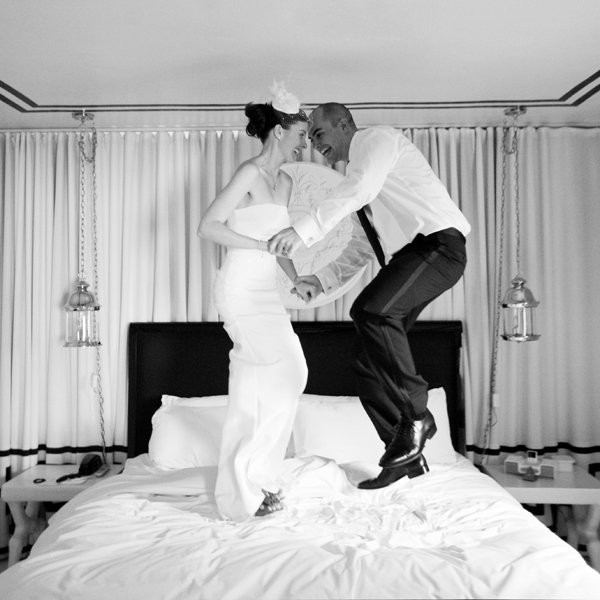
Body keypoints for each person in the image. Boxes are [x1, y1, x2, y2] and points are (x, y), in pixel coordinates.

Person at [268, 103, 470, 489]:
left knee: (371, 312)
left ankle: (416, 416)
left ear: (344, 124)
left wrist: (303, 231)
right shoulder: (365, 189)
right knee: (365, 357)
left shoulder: (377, 141)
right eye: (308, 139)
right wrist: (320, 280)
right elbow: (361, 250)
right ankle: (404, 455)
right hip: (414, 258)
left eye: (319, 134)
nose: (314, 145)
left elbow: (357, 188)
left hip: (440, 248)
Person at [198, 84, 310, 519]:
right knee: (280, 373)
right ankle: (254, 484)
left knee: (266, 380)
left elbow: (279, 243)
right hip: (240, 291)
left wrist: (296, 279)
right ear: (280, 131)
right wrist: (260, 247)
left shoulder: (284, 182)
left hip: (268, 292)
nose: (305, 143)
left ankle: (249, 485)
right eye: (301, 134)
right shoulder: (249, 173)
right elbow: (208, 227)